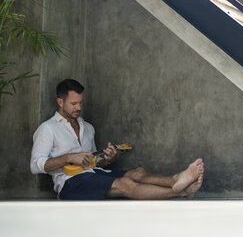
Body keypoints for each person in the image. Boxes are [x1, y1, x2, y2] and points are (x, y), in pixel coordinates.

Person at [30, 79, 204, 200]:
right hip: (70, 184)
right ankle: (181, 192)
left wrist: (107, 160)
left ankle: (175, 179)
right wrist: (68, 157)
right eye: (73, 104)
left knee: (138, 172)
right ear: (60, 102)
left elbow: (92, 163)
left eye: (81, 103)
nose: (79, 108)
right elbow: (35, 165)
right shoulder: (48, 128)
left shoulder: (87, 127)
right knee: (125, 184)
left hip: (93, 175)